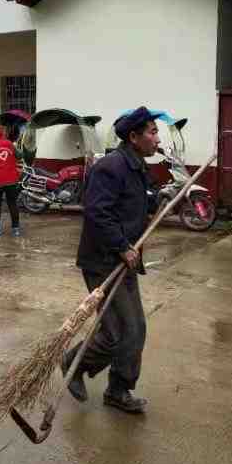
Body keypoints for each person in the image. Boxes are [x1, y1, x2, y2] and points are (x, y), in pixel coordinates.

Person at [62, 106, 161, 414]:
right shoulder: (110, 167)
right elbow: (97, 212)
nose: (158, 138)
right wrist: (121, 246)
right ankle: (73, 364)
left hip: (125, 260)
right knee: (118, 333)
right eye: (152, 132)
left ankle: (118, 389)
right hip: (103, 260)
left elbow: (140, 203)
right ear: (134, 137)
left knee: (135, 329)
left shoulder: (138, 167)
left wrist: (161, 198)